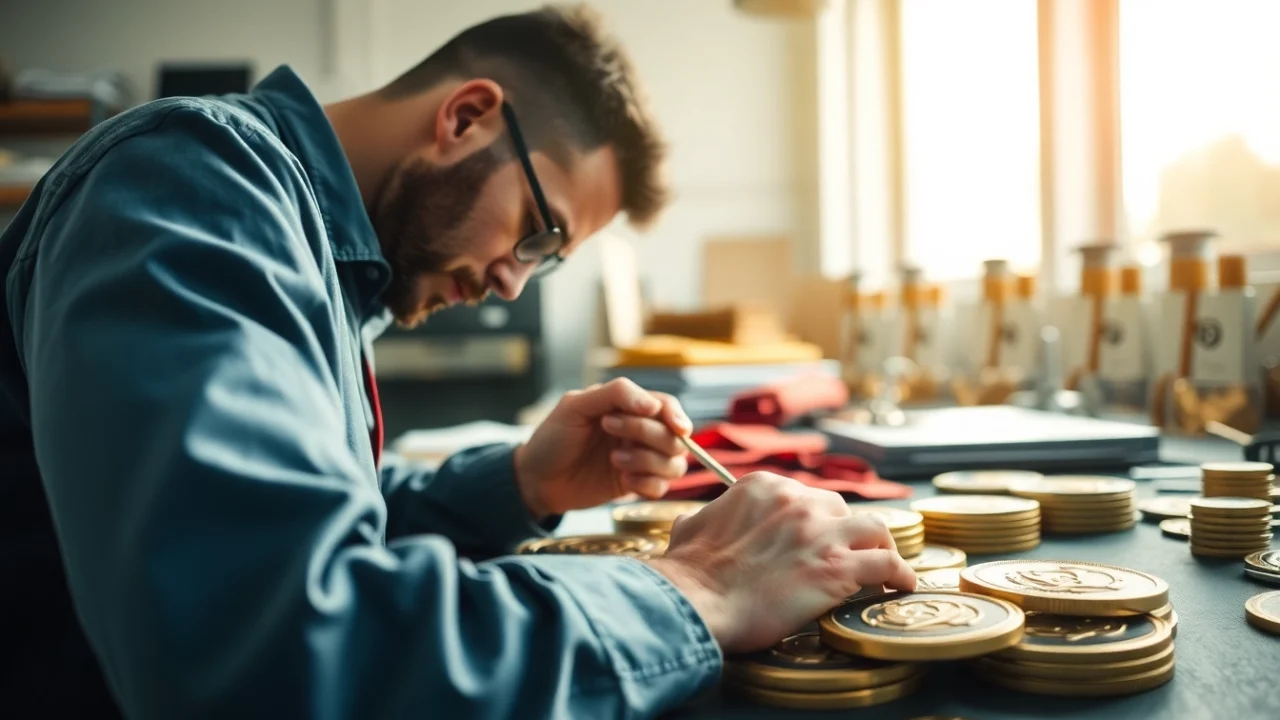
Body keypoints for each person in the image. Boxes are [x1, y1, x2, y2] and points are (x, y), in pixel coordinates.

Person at [0, 5, 916, 719]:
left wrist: (520, 484)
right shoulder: (192, 187)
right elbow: (276, 654)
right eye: (537, 232)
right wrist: (702, 586)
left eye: (545, 260)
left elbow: (304, 520)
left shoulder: (312, 251)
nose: (515, 285)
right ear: (469, 116)